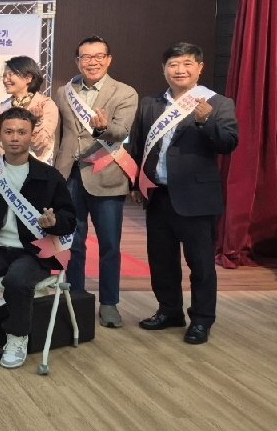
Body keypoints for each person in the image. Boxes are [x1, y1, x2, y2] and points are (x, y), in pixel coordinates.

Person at [128, 43, 238, 345]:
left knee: (200, 264)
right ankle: (169, 311)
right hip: (158, 196)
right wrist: (136, 184)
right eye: (173, 64)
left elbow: (229, 143)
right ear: (164, 69)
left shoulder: (218, 103)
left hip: (196, 198)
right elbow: (138, 146)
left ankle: (201, 320)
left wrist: (206, 121)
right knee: (161, 260)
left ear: (199, 68)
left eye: (187, 64)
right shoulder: (150, 103)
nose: (180, 70)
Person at [0, 107, 76, 370]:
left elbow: (69, 219)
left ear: (31, 135)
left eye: (22, 132)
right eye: (9, 132)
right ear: (0, 135)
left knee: (17, 280)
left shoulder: (49, 176)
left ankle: (17, 337)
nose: (15, 138)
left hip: (34, 251)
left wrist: (54, 222)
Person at [53, 36, 138, 329]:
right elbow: (61, 135)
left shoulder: (125, 92)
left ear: (109, 59)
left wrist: (103, 129)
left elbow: (121, 130)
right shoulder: (64, 92)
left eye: (99, 56)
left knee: (110, 244)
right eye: (86, 57)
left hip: (106, 174)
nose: (92, 62)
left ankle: (109, 303)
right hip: (70, 175)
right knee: (73, 242)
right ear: (77, 61)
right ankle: (76, 297)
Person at [0, 55, 59, 163]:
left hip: (35, 168)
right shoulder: (0, 110)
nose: (5, 80)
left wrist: (37, 122)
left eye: (10, 75)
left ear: (28, 78)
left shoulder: (45, 105)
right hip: (4, 169)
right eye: (4, 76)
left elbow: (41, 144)